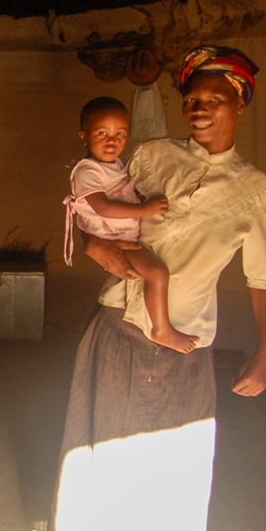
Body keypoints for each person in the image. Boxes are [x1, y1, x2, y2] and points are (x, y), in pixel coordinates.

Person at [35, 45, 266, 531]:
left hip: (182, 335)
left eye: (215, 100)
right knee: (103, 441)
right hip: (118, 319)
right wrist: (97, 248)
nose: (200, 110)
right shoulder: (155, 156)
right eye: (193, 100)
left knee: (171, 454)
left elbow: (264, 275)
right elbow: (98, 210)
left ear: (239, 106)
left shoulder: (256, 192)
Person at [64, 96, 199, 354]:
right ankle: (162, 329)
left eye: (120, 134)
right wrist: (144, 209)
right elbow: (103, 207)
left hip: (126, 238)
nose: (112, 141)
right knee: (157, 273)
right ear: (84, 136)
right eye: (102, 133)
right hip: (115, 243)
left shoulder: (117, 166)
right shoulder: (86, 171)